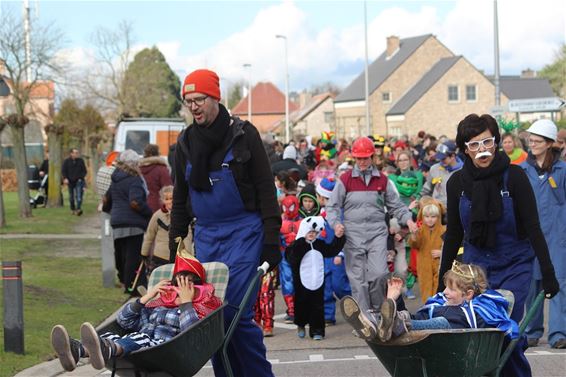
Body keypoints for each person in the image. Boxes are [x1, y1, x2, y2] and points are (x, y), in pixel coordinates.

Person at [169, 69, 281, 377]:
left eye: (200, 99)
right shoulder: (185, 144)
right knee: (211, 316)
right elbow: (180, 200)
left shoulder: (243, 135)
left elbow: (265, 189)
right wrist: (175, 249)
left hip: (245, 233)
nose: (194, 107)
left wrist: (272, 241)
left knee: (231, 311)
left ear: (216, 98)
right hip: (206, 238)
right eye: (188, 101)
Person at [438, 113, 559, 377]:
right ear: (465, 149)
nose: (482, 150)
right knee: (476, 333)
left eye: (487, 143)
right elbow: (455, 234)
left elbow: (533, 227)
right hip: (475, 268)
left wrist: (548, 273)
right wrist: (442, 280)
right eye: (474, 145)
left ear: (496, 142)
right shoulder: (457, 183)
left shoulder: (514, 176)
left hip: (515, 265)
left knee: (506, 332)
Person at [50, 251, 221, 372]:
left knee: (140, 337)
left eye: (188, 285)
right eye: (177, 284)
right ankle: (77, 350)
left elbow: (192, 337)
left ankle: (107, 349)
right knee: (112, 336)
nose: (180, 289)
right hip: (137, 347)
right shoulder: (157, 305)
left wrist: (186, 303)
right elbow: (124, 321)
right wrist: (146, 298)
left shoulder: (196, 309)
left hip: (167, 351)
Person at [326, 136, 418, 315]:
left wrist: (408, 219)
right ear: (354, 158)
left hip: (377, 234)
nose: (362, 162)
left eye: (365, 158)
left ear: (372, 157)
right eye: (358, 158)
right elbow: (332, 206)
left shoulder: (382, 180)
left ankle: (377, 312)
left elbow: (396, 206)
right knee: (357, 279)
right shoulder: (345, 180)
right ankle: (363, 316)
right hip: (353, 235)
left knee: (379, 274)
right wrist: (336, 224)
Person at [341, 262, 518, 344]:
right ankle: (377, 323)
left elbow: (491, 323)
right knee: (420, 317)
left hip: (454, 349)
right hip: (427, 343)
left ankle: (386, 323)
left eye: (451, 289)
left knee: (444, 321)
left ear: (469, 294)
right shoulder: (441, 304)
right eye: (446, 287)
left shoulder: (480, 310)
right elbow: (419, 316)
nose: (444, 292)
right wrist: (395, 298)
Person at [520, 119, 566, 349]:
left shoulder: (562, 170)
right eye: (531, 140)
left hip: (558, 238)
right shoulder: (522, 170)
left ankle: (558, 334)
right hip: (530, 239)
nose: (532, 144)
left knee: (558, 284)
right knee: (532, 286)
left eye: (537, 141)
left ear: (549, 143)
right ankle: (532, 330)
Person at [286, 216, 345, 340]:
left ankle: (317, 330)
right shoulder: (297, 245)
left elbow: (331, 250)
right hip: (302, 281)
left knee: (317, 306)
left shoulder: (319, 244)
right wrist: (301, 242)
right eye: (310, 232)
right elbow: (291, 258)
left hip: (318, 280)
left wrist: (338, 238)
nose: (312, 234)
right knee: (301, 303)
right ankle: (301, 324)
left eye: (315, 232)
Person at [103, 150, 153, 295]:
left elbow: (106, 200)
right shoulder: (135, 179)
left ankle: (125, 281)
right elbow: (135, 202)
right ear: (134, 164)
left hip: (117, 221)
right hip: (134, 222)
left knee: (121, 254)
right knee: (133, 255)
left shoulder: (115, 179)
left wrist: (109, 210)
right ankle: (133, 285)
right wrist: (149, 213)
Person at [316, 178, 351, 326]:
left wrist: (340, 253)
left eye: (318, 196)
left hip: (336, 256)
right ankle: (328, 315)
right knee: (325, 286)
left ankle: (355, 302)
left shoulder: (339, 213)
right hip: (324, 255)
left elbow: (345, 235)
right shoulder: (321, 214)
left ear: (324, 197)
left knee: (339, 285)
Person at [408, 197, 446, 303]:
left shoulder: (444, 230)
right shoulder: (420, 231)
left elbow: (452, 248)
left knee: (439, 289)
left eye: (433, 216)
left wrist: (442, 253)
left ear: (438, 216)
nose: (430, 219)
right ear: (422, 216)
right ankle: (428, 310)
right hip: (424, 266)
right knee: (425, 290)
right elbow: (415, 244)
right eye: (427, 216)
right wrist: (414, 234)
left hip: (439, 265)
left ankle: (438, 310)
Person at [141, 186, 176, 276]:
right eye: (166, 199)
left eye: (171, 198)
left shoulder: (183, 215)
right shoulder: (157, 216)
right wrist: (144, 253)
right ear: (162, 200)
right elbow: (149, 235)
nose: (169, 201)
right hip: (160, 256)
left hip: (178, 257)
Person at [420, 140, 463, 208]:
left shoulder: (463, 171)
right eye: (440, 158)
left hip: (455, 210)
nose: (441, 161)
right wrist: (421, 201)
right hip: (436, 210)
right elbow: (426, 189)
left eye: (444, 158)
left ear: (452, 156)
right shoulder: (434, 168)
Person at [140, 144, 173, 213]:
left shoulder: (138, 169)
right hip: (157, 207)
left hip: (140, 206)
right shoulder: (161, 169)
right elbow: (168, 189)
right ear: (157, 154)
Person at [62, 148, 87, 216]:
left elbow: (84, 171)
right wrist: (65, 178)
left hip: (79, 181)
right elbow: (64, 171)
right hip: (70, 181)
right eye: (75, 153)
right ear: (71, 153)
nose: (76, 154)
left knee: (79, 197)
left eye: (77, 153)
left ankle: (78, 209)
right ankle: (72, 209)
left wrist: (81, 177)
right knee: (71, 197)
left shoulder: (81, 161)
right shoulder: (66, 161)